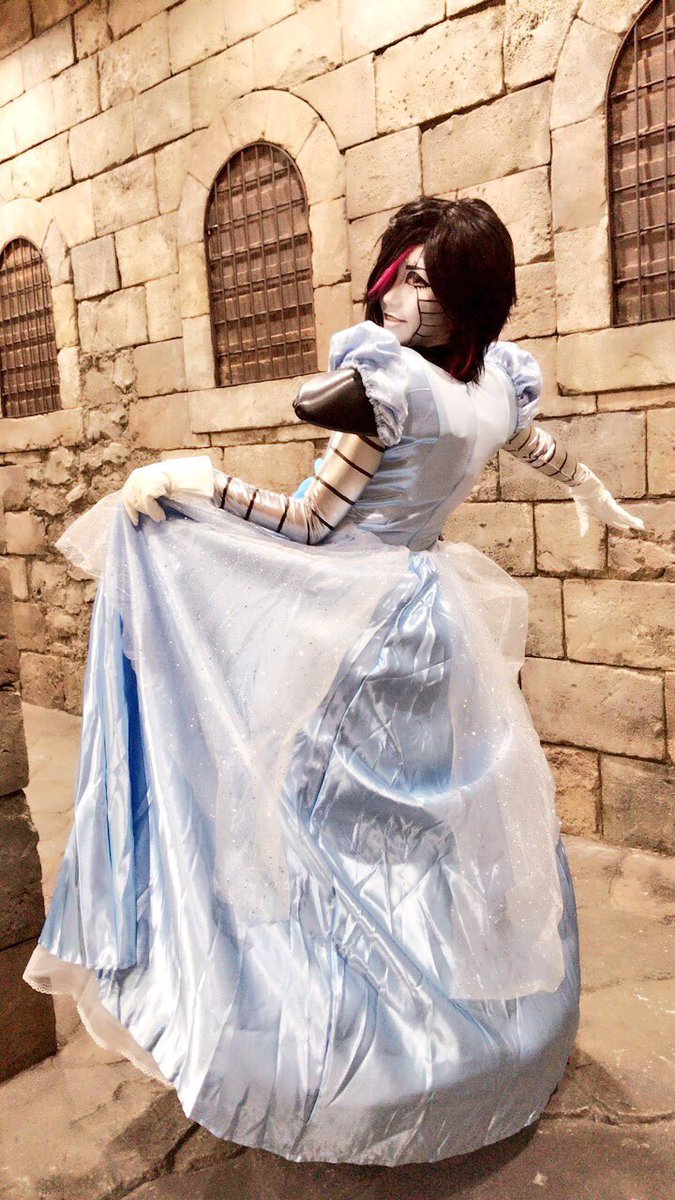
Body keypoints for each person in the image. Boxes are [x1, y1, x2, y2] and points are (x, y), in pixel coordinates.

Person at [23, 197, 643, 1167]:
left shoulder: (387, 390)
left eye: (425, 279)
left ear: (468, 297)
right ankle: (445, 1018)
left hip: (352, 626)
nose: (399, 290)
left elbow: (310, 524)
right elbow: (534, 445)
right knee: (423, 823)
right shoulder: (491, 386)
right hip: (430, 617)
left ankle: (346, 1027)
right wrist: (588, 487)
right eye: (400, 268)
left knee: (330, 820)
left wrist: (195, 483)